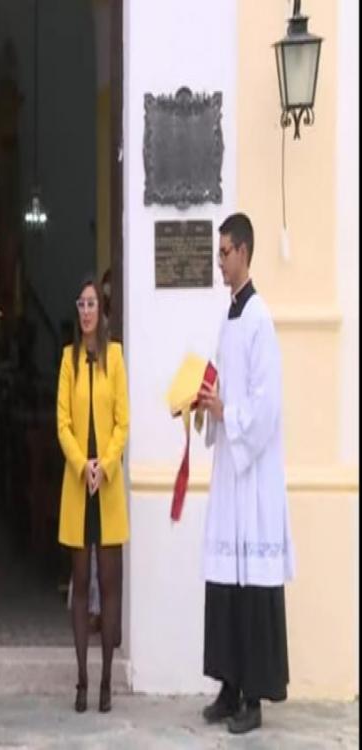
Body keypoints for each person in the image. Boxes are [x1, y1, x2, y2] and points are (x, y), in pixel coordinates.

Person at [197, 213, 295, 735]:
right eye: (216, 252)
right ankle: (229, 686)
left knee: (252, 583)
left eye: (224, 251)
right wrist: (202, 401)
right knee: (226, 580)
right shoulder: (227, 317)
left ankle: (253, 699)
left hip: (252, 478)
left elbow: (266, 406)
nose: (218, 260)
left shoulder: (260, 319)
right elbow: (220, 380)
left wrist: (226, 414)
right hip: (229, 474)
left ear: (244, 253)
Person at [56, 276, 129, 714]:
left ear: (101, 310)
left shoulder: (115, 357)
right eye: (80, 303)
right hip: (79, 482)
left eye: (91, 304)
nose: (86, 311)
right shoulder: (68, 359)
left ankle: (106, 683)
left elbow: (123, 420)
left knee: (111, 583)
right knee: (81, 584)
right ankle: (82, 680)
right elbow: (62, 421)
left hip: (110, 483)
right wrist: (83, 465)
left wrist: (108, 464)